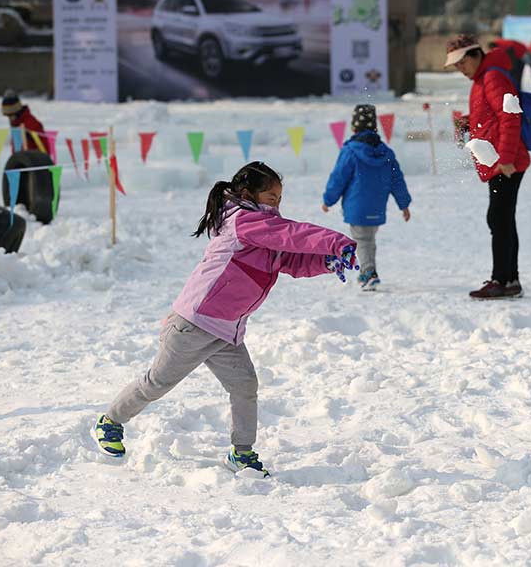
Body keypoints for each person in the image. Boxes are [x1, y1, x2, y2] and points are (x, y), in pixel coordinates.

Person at [92, 162, 357, 478]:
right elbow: (292, 234)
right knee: (157, 383)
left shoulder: (263, 231)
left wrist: (327, 261)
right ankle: (110, 421)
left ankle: (241, 453)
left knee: (245, 386)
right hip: (194, 324)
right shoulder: (244, 222)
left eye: (279, 199)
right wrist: (336, 241)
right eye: (271, 198)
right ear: (248, 194)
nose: (277, 205)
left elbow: (291, 259)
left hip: (226, 331)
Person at [445, 34, 530, 299]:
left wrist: (505, 158)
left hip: (504, 162)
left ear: (475, 54)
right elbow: (492, 116)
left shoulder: (492, 77)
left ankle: (501, 280)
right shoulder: (483, 79)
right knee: (502, 219)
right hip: (498, 159)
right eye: (456, 65)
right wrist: (469, 122)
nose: (460, 69)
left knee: (499, 219)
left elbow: (510, 116)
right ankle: (509, 279)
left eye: (462, 62)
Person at [322, 104, 412, 291]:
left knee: (363, 240)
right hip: (377, 205)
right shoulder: (386, 152)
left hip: (357, 206)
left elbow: (338, 177)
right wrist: (404, 204)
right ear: (376, 128)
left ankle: (369, 273)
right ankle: (367, 270)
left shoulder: (350, 151)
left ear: (354, 128)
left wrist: (328, 199)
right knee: (368, 240)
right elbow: (397, 180)